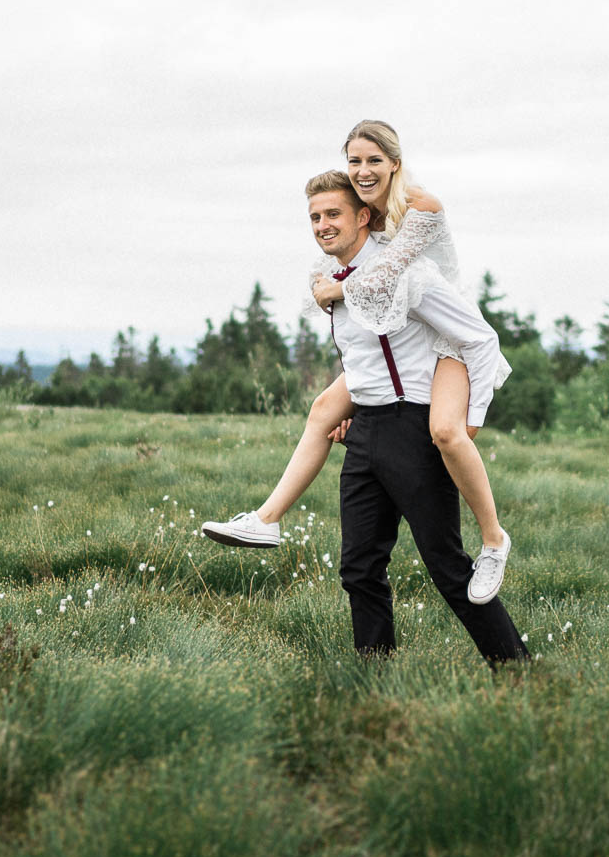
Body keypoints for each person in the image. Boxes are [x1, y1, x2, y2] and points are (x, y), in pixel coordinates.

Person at [202, 121, 515, 602]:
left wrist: (337, 287)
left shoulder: (419, 206)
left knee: (448, 433)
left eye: (373, 160)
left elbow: (388, 274)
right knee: (324, 409)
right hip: (407, 329)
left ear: (395, 162)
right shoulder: (365, 210)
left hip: (446, 336)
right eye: (355, 161)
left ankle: (494, 541)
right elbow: (368, 290)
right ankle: (265, 520)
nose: (363, 170)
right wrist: (364, 407)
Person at [267, 171, 529, 663]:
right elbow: (362, 358)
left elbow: (477, 339)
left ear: (364, 216)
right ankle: (374, 674)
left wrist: (467, 423)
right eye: (315, 217)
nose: (322, 225)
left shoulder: (407, 274)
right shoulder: (334, 279)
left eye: (333, 214)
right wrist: (355, 415)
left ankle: (516, 667)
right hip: (365, 431)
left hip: (413, 427)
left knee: (447, 566)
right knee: (359, 567)